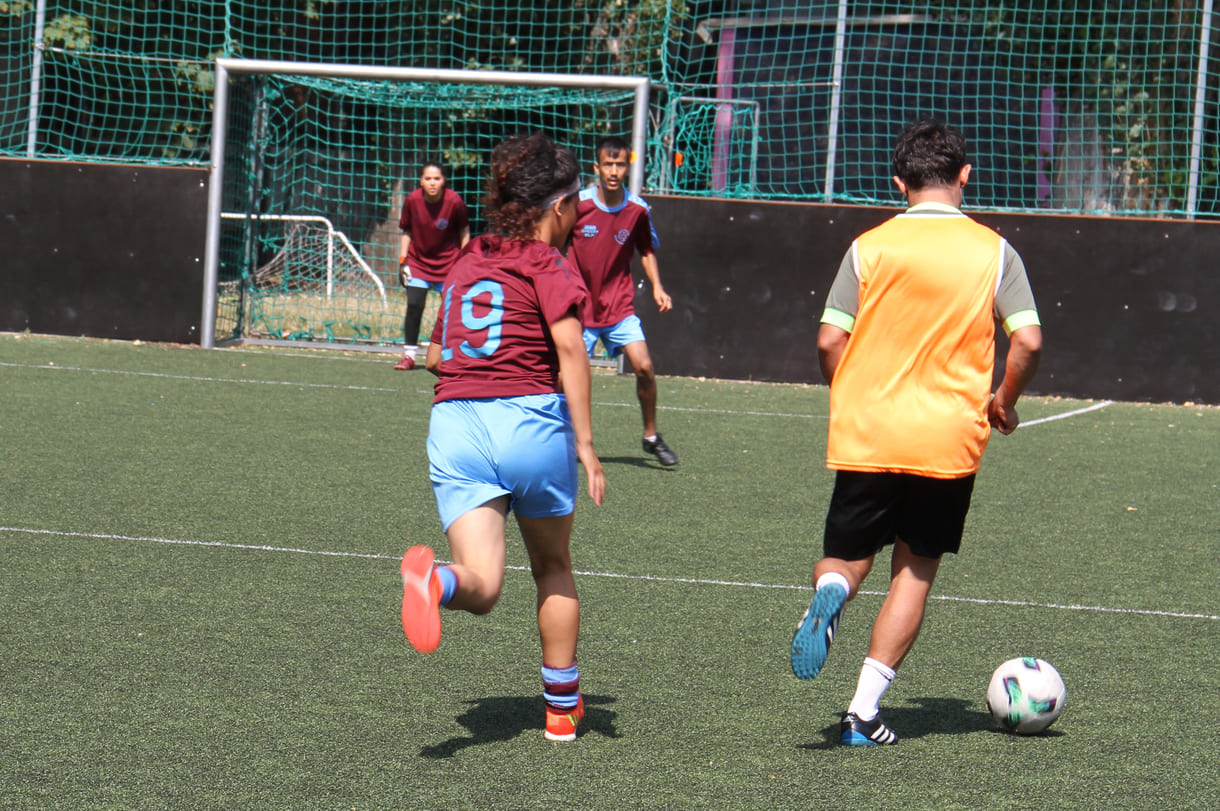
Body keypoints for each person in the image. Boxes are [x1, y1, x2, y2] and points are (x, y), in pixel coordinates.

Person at [789, 119, 1043, 747]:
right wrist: (1003, 401)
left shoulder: (868, 246)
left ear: (898, 182)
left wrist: (849, 391)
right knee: (914, 568)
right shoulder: (995, 250)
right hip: (947, 438)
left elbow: (829, 337)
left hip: (870, 427)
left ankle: (830, 592)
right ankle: (863, 714)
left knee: (849, 555)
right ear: (965, 175)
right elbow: (1029, 339)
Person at [399, 133, 606, 743]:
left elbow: (439, 353)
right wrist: (588, 446)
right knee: (552, 565)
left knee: (482, 584)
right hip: (527, 423)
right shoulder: (548, 262)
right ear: (559, 207)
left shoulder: (468, 260)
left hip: (455, 422)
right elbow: (571, 350)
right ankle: (561, 712)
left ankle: (435, 582)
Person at [566, 136, 678, 466]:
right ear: (596, 167)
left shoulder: (637, 210)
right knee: (567, 378)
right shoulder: (578, 204)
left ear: (627, 167)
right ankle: (565, 441)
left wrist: (657, 286)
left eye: (620, 165)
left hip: (618, 308)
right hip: (580, 309)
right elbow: (555, 242)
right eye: (607, 165)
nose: (613, 171)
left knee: (644, 367)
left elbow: (646, 249)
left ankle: (651, 436)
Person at [395, 161, 471, 370]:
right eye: (428, 178)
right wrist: (403, 262)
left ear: (443, 180)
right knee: (414, 305)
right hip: (419, 263)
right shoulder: (412, 200)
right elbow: (407, 231)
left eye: (436, 178)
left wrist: (465, 260)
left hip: (449, 265)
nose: (432, 183)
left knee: (451, 310)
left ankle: (454, 355)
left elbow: (464, 231)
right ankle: (409, 355)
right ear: (421, 181)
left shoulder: (454, 201)